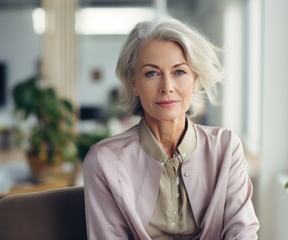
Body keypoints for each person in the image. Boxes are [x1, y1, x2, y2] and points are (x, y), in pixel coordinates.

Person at [83, 16, 259, 239]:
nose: (167, 87)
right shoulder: (103, 161)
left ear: (195, 79)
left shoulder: (226, 148)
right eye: (152, 73)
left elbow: (242, 232)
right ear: (134, 82)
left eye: (179, 72)